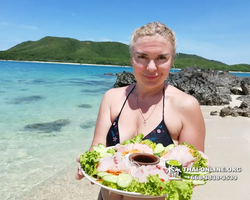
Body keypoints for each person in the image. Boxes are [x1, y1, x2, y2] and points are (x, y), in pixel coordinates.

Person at [75, 21, 206, 200]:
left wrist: (155, 170)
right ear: (132, 58)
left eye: (161, 58)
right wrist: (87, 163)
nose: (151, 67)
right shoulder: (112, 98)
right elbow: (97, 151)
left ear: (172, 60)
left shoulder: (186, 105)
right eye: (142, 56)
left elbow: (194, 171)